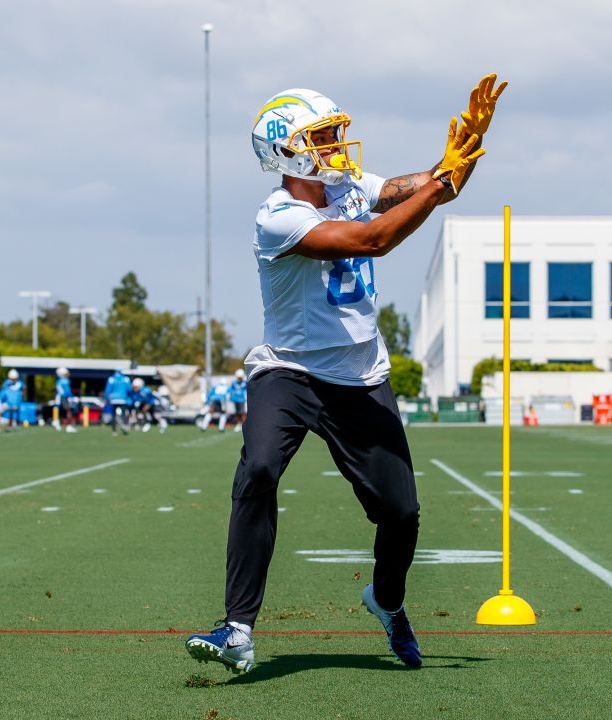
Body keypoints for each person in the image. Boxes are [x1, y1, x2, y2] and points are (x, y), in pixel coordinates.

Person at [185, 76, 504, 674]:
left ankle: (386, 601)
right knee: (257, 469)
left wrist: (461, 155)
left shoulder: (351, 186)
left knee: (401, 513)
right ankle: (237, 628)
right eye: (322, 137)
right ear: (286, 151)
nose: (336, 145)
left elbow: (435, 186)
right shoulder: (278, 217)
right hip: (291, 372)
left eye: (333, 134)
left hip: (359, 373)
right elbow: (374, 238)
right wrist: (438, 184)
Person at [104, 368, 132, 436]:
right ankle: (124, 425)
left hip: (113, 399)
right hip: (123, 399)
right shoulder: (125, 379)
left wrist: (106, 398)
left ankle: (114, 431)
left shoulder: (111, 379)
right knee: (123, 414)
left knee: (113, 416)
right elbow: (129, 389)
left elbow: (107, 390)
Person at [53, 367, 78, 433]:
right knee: (68, 411)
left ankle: (57, 423)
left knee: (60, 411)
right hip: (64, 397)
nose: (68, 374)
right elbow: (67, 391)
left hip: (59, 397)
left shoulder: (59, 381)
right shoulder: (65, 380)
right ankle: (69, 426)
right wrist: (71, 397)